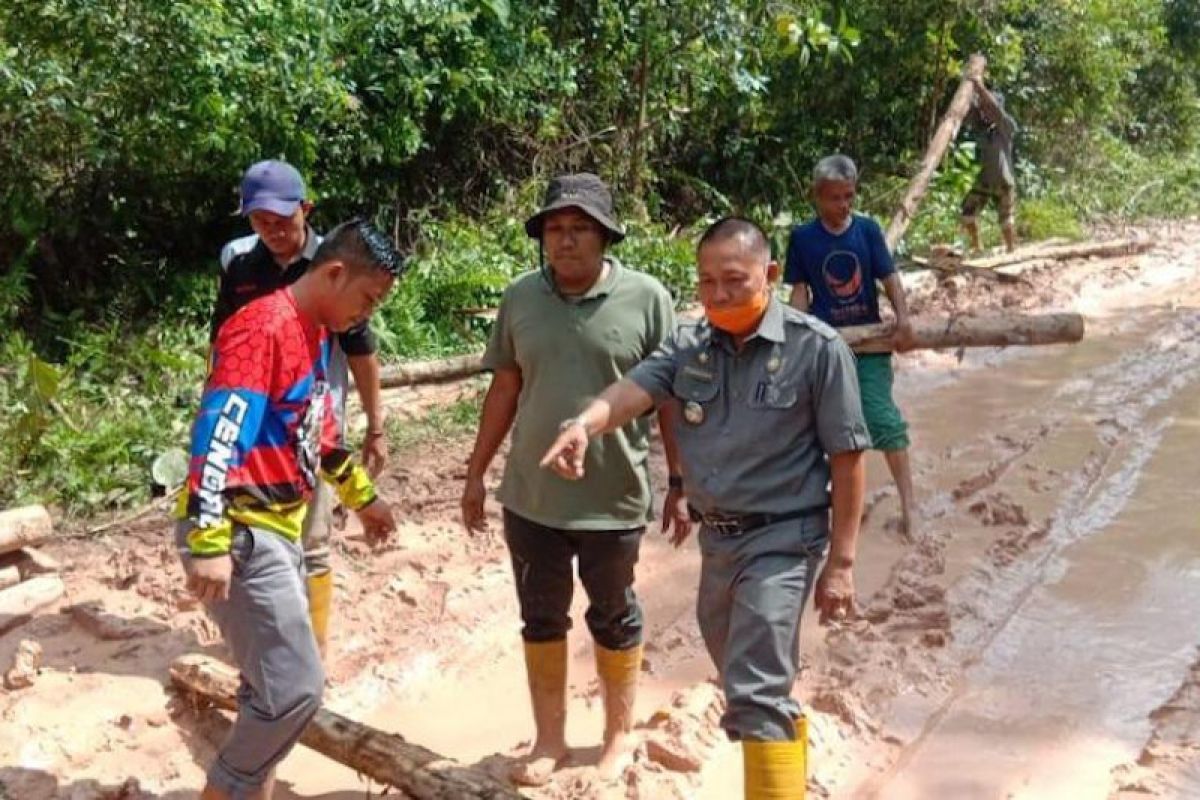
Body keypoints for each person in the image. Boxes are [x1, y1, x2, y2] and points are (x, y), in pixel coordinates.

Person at [541, 217, 869, 799]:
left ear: (769, 275)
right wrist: (585, 425)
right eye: (707, 282)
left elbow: (847, 460)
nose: (718, 295)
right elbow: (635, 388)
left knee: (756, 688)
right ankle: (787, 765)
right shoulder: (690, 346)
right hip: (718, 542)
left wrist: (841, 563)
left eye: (734, 282)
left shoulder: (817, 349)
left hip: (784, 539)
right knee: (745, 680)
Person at [460, 173, 685, 784]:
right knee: (540, 617)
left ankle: (616, 738)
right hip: (531, 498)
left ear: (605, 236)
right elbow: (505, 387)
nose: (566, 241)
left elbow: (667, 397)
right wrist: (477, 473)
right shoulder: (520, 298)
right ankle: (550, 740)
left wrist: (681, 481)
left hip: (613, 497)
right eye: (555, 229)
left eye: (580, 229)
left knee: (614, 613)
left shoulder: (647, 298)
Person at [178, 219, 404, 800]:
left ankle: (244, 789)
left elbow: (320, 437)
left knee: (267, 687)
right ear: (333, 273)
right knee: (296, 688)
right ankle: (228, 787)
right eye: (367, 298)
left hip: (280, 529)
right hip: (241, 529)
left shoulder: (312, 332)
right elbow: (218, 434)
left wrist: (365, 500)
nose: (367, 314)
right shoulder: (262, 328)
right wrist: (207, 540)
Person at [210, 159, 389, 659]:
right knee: (255, 537)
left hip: (313, 421)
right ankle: (272, 650)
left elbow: (361, 351)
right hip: (253, 425)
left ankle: (312, 651)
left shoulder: (336, 265)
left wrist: (376, 427)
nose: (271, 231)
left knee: (310, 540)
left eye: (281, 220)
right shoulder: (239, 261)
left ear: (305, 209)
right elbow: (222, 337)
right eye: (259, 221)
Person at [785, 154, 917, 541]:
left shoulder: (867, 231)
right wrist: (798, 335)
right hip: (827, 347)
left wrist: (904, 318)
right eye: (835, 198)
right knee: (834, 429)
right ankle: (846, 507)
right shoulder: (803, 238)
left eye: (849, 196)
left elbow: (889, 277)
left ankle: (910, 506)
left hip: (872, 342)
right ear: (817, 197)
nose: (844, 205)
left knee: (883, 420)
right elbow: (799, 292)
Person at [960, 76, 1019, 253]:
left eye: (988, 109)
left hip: (1003, 181)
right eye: (984, 110)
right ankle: (977, 246)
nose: (986, 112)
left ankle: (1011, 249)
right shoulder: (981, 128)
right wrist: (969, 88)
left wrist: (979, 85)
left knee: (1006, 219)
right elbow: (970, 110)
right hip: (985, 179)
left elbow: (995, 109)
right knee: (968, 211)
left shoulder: (1006, 126)